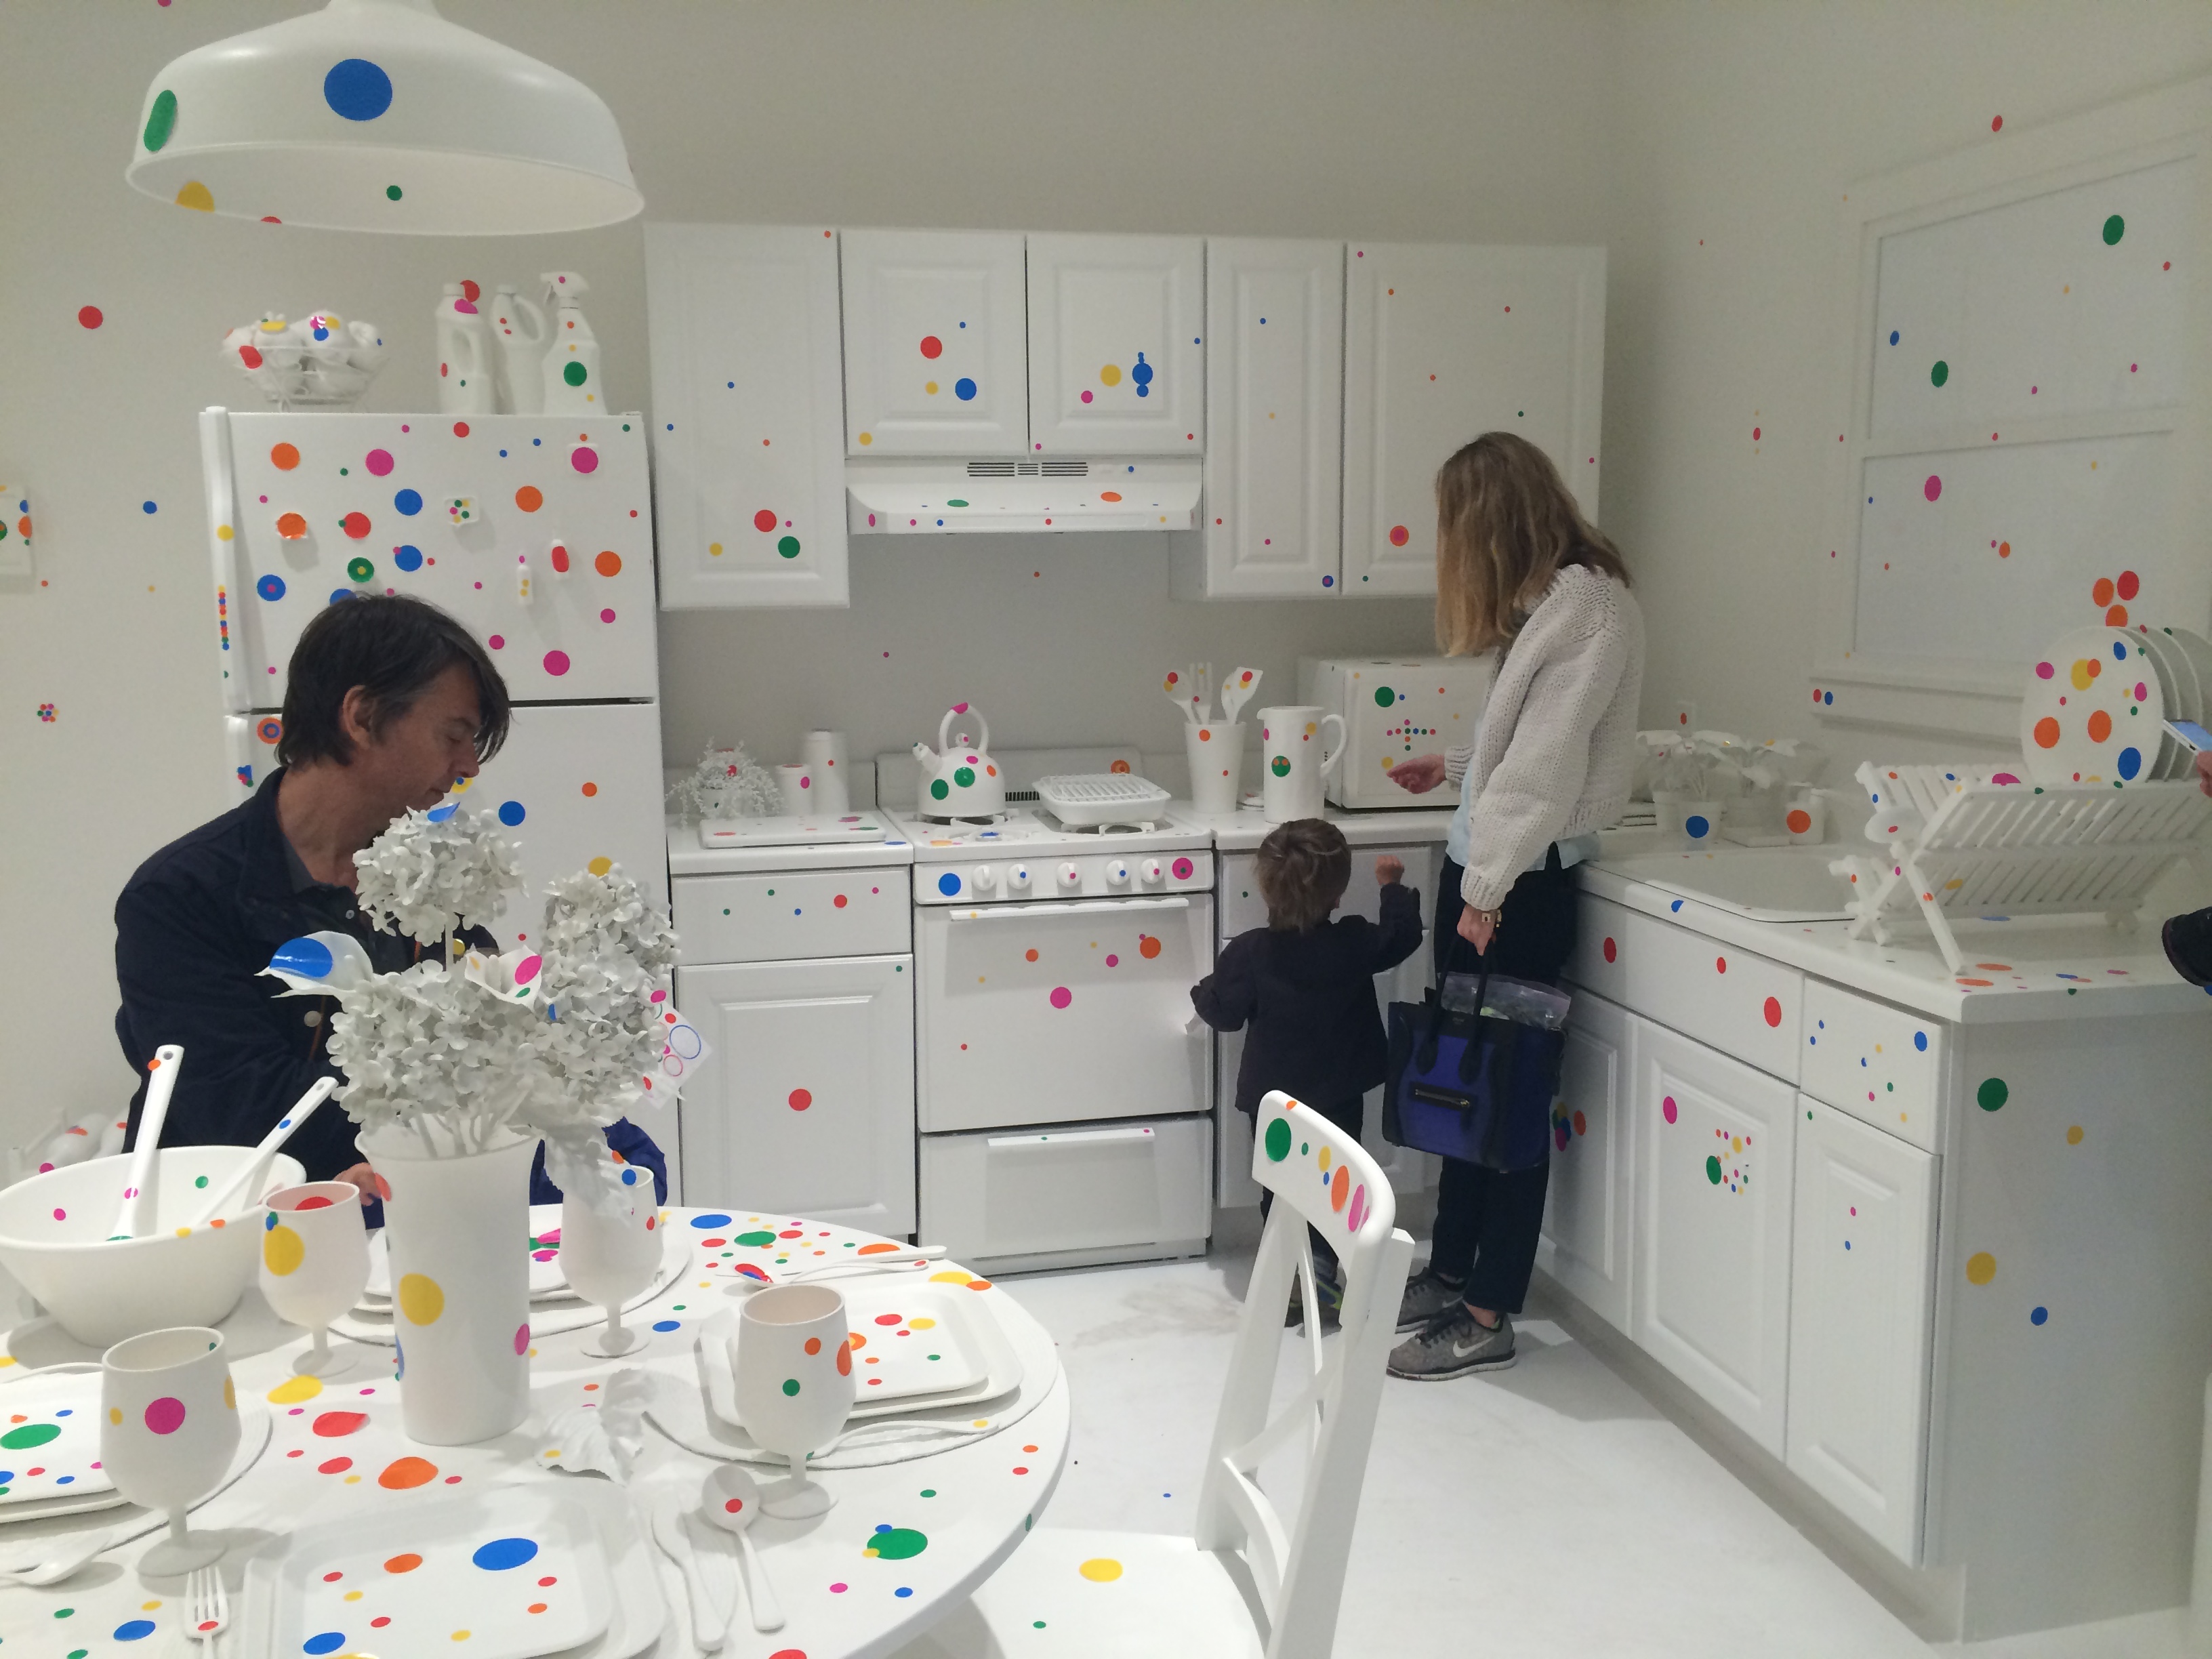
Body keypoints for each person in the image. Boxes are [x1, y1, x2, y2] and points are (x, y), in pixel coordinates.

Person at [113, 594, 667, 1206]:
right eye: (453, 735)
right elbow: (239, 1103)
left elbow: (489, 1035)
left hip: (424, 1186)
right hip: (245, 1217)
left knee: (627, 1166)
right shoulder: (178, 896)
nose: (467, 766)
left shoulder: (431, 868)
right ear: (362, 716)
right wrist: (422, 1148)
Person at [1380, 432, 1643, 1379]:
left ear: (1490, 523)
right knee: (1464, 1084)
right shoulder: (1553, 606)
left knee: (1506, 1100)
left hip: (1517, 887)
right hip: (1492, 873)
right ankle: (1452, 1271)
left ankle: (1489, 1312)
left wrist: (1487, 887)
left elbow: (1547, 769)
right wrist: (1454, 770)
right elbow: (1522, 750)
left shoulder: (1590, 610)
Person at [1191, 819, 1422, 1326]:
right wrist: (1391, 887)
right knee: (1336, 1181)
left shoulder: (1250, 952)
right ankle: (1322, 1264)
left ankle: (1290, 1272)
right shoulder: (1354, 941)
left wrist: (1202, 991)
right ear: (1338, 895)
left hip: (1275, 1100)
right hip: (1339, 1090)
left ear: (1266, 888)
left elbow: (1224, 1014)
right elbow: (1401, 937)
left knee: (1280, 1187)